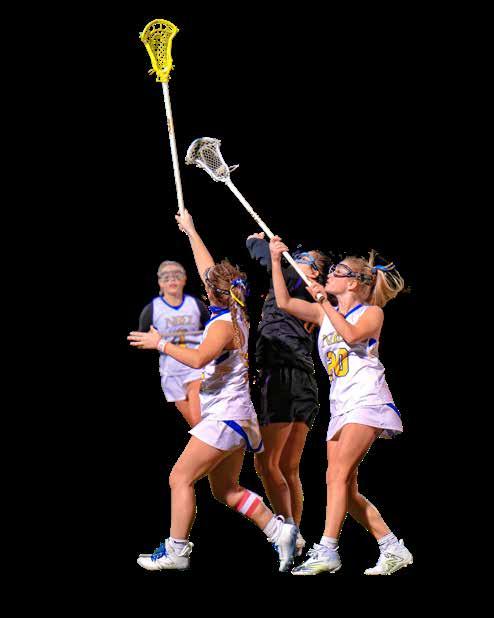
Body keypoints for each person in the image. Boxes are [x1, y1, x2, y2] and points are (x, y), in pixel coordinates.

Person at [128, 212, 297, 573]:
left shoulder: (223, 326)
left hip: (225, 418)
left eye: (207, 286)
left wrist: (161, 344)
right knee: (226, 490)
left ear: (212, 294)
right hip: (236, 417)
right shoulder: (234, 312)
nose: (203, 286)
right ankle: (280, 532)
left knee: (179, 478)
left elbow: (199, 358)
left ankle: (176, 551)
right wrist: (191, 230)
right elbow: (208, 269)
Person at [268, 235, 413, 576]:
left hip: (367, 399)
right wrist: (275, 260)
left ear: (353, 283)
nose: (329, 274)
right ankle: (392, 547)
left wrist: (325, 303)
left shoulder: (371, 312)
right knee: (344, 488)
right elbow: (284, 302)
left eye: (337, 271)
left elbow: (351, 335)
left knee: (336, 475)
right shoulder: (324, 311)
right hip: (342, 405)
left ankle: (328, 550)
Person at [246, 232, 329, 556]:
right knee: (289, 468)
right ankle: (296, 536)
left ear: (315, 271)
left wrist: (257, 242)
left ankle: (287, 532)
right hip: (304, 382)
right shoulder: (310, 295)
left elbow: (265, 258)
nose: (296, 260)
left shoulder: (297, 280)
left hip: (282, 376)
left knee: (267, 464)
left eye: (303, 259)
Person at [138, 260, 210, 427]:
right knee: (197, 427)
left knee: (200, 423)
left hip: (195, 369)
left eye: (177, 275)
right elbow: (142, 340)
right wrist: (150, 341)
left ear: (184, 279)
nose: (172, 280)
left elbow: (211, 331)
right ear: (160, 282)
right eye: (166, 276)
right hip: (171, 373)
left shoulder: (196, 305)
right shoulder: (152, 309)